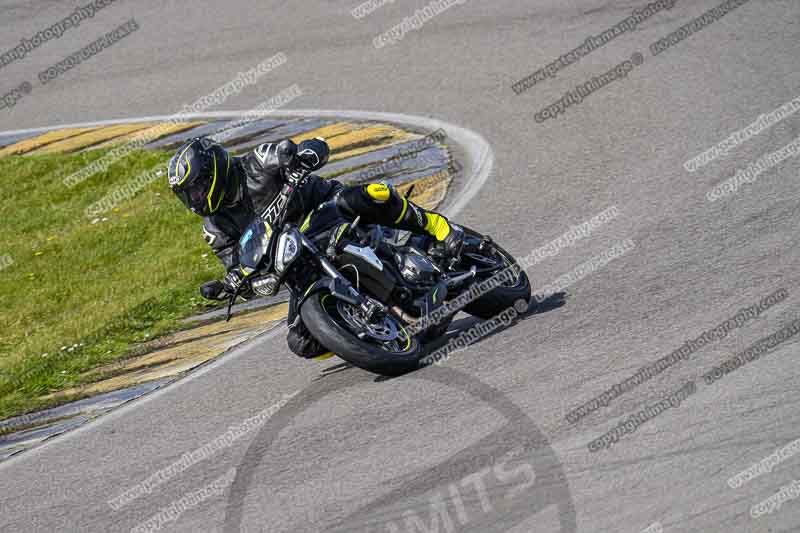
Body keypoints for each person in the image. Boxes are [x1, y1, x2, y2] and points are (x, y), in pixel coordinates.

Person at [167, 136, 463, 358]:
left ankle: (435, 227)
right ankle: (369, 333)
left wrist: (304, 157)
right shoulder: (214, 227)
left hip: (325, 212)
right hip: (295, 260)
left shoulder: (258, 161)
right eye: (188, 194)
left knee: (366, 196)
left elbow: (310, 146)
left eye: (196, 188)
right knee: (301, 343)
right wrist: (233, 284)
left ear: (212, 172)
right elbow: (236, 264)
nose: (195, 198)